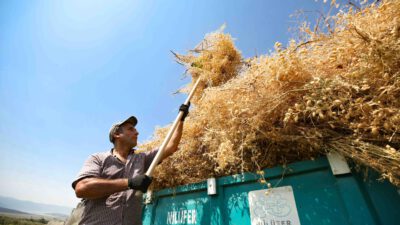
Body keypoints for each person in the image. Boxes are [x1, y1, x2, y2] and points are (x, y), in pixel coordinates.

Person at [71, 104, 190, 225]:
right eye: (130, 129)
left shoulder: (142, 159)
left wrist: (181, 119)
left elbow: (171, 147)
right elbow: (82, 188)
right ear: (116, 135)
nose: (137, 132)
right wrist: (129, 183)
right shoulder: (98, 159)